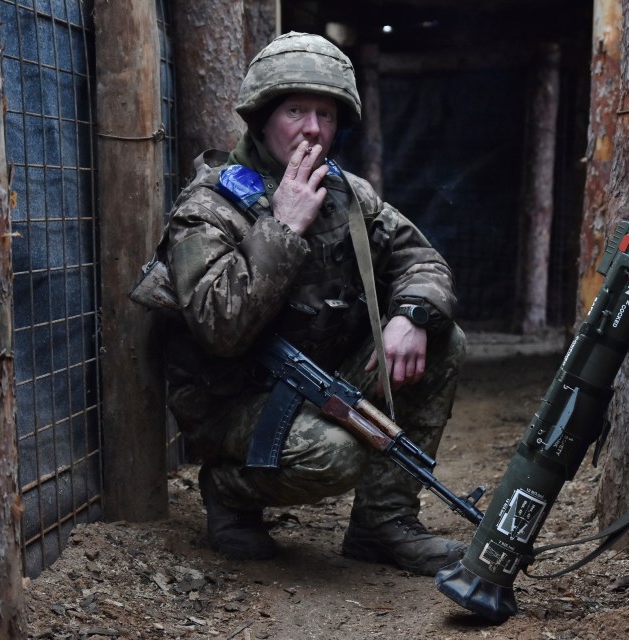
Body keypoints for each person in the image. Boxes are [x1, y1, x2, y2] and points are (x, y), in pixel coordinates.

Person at [160, 31, 467, 577]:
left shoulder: (348, 195)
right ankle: (229, 491)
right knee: (336, 456)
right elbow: (219, 327)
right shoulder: (209, 208)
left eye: (325, 114)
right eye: (295, 110)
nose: (311, 129)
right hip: (232, 400)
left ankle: (383, 524)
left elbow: (422, 260)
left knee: (444, 337)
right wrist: (282, 226)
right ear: (260, 118)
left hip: (317, 378)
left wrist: (411, 314)